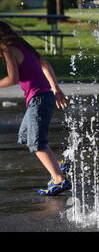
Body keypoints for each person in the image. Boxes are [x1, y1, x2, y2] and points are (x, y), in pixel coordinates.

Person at [0, 21, 70, 195]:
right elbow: (45, 64)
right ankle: (59, 164)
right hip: (42, 97)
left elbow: (13, 78)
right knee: (25, 137)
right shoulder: (22, 45)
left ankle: (59, 179)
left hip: (38, 99)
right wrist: (56, 89)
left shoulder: (8, 49)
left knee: (36, 142)